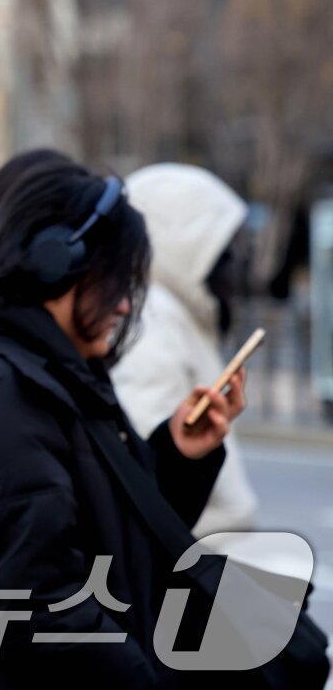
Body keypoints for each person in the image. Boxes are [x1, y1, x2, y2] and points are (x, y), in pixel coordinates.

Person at [0, 151, 244, 686]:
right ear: (54, 261)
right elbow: (38, 601)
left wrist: (179, 456)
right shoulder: (0, 390)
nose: (126, 306)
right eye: (114, 279)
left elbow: (114, 547)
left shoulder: (49, 373)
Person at [110, 163, 259, 537]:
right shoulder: (151, 321)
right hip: (186, 562)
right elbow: (148, 482)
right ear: (182, 247)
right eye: (221, 252)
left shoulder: (175, 316)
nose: (233, 269)